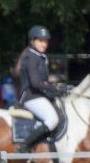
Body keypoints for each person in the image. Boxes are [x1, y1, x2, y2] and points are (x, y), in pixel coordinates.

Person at [16, 25, 61, 153]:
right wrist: (54, 89)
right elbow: (35, 83)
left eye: (46, 41)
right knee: (52, 120)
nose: (44, 44)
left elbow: (44, 81)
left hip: (39, 95)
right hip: (31, 96)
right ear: (32, 41)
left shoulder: (40, 57)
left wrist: (58, 86)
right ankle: (24, 146)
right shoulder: (30, 57)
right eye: (40, 41)